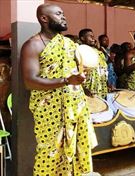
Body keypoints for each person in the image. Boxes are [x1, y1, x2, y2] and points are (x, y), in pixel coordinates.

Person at [21, 4, 95, 175]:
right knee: (49, 154)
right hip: (49, 111)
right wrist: (66, 81)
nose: (64, 17)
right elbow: (30, 82)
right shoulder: (32, 45)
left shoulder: (69, 44)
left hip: (75, 107)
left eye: (63, 13)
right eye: (58, 14)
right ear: (44, 18)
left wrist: (81, 76)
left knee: (78, 150)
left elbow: (75, 71)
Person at [79, 28, 108, 98]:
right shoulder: (79, 51)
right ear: (82, 38)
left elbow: (104, 70)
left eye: (93, 36)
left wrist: (108, 85)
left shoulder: (100, 53)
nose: (93, 38)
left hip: (101, 90)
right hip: (87, 90)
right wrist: (83, 88)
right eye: (90, 36)